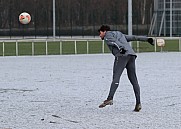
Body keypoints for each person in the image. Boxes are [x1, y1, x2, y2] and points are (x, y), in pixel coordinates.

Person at [98, 25, 154, 112]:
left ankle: (110, 98)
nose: (100, 35)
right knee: (134, 80)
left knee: (116, 77)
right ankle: (138, 103)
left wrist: (121, 48)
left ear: (104, 31)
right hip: (131, 56)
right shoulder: (120, 34)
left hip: (122, 55)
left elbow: (114, 42)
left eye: (100, 33)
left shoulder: (107, 35)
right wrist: (146, 39)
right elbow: (134, 37)